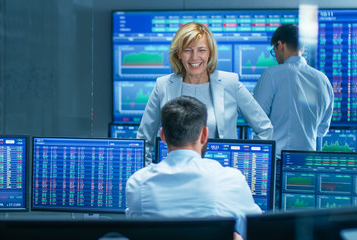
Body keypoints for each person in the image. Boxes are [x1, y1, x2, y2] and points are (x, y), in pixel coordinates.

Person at [137, 22, 273, 165]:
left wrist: (245, 163)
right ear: (179, 54)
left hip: (219, 179)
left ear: (210, 53)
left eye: (201, 50)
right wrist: (149, 171)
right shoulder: (163, 85)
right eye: (188, 50)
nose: (195, 57)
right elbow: (144, 139)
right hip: (174, 177)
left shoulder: (230, 83)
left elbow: (265, 129)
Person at [126, 96, 261, 239]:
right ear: (204, 135)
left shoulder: (138, 183)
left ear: (163, 136)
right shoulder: (230, 180)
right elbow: (257, 231)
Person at [253, 24, 334, 159]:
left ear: (280, 45)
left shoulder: (272, 75)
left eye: (274, 50)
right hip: (308, 164)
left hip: (276, 162)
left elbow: (256, 119)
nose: (275, 55)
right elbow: (322, 130)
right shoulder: (323, 80)